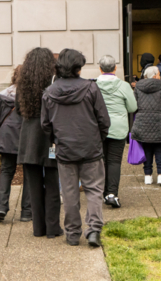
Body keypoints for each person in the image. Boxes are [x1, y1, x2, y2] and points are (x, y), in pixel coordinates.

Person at [42, 49, 110, 247]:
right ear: (78, 67)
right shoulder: (91, 88)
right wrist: (98, 139)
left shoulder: (49, 93)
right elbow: (103, 120)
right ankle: (94, 230)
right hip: (90, 147)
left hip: (65, 149)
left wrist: (57, 139)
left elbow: (45, 125)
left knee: (70, 193)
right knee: (95, 190)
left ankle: (72, 233)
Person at [17, 48, 63, 239]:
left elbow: (19, 110)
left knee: (33, 186)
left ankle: (38, 228)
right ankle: (53, 228)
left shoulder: (23, 83)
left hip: (28, 137)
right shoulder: (54, 83)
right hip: (49, 136)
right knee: (53, 183)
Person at [0, 66, 32, 222]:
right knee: (29, 175)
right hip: (27, 137)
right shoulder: (32, 95)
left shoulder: (4, 95)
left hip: (7, 136)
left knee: (6, 172)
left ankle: (0, 207)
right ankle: (27, 212)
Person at [96, 55, 137, 208]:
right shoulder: (124, 86)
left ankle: (100, 192)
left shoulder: (93, 85)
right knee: (114, 161)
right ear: (115, 68)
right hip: (118, 127)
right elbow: (133, 108)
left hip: (98, 128)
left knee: (99, 161)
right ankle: (111, 194)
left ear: (100, 69)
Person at [131, 66, 161, 186]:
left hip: (143, 121)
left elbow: (133, 106)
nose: (160, 76)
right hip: (160, 122)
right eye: (158, 74)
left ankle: (147, 176)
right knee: (160, 149)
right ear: (155, 75)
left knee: (147, 149)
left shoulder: (138, 87)